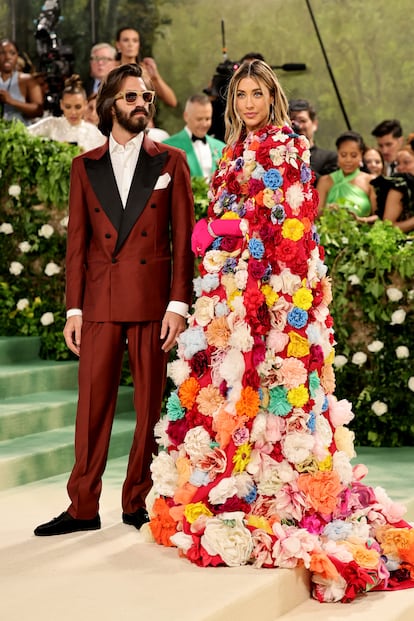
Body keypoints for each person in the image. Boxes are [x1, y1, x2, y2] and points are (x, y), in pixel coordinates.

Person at [147, 59, 414, 603]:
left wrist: (221, 229)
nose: (247, 103)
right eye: (240, 94)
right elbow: (232, 207)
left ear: (272, 97)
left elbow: (282, 225)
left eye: (257, 94)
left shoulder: (288, 147)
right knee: (225, 386)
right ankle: (230, 474)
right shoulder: (232, 148)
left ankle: (279, 487)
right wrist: (214, 231)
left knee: (275, 388)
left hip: (274, 297)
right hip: (229, 296)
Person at [33, 62, 195, 537]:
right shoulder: (84, 166)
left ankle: (135, 502)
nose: (142, 104)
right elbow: (77, 244)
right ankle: (82, 507)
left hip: (152, 303)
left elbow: (183, 237)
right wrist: (74, 309)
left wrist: (178, 305)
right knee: (91, 410)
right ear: (109, 107)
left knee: (149, 410)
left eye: (146, 97)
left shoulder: (171, 162)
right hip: (100, 302)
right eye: (131, 98)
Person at [27, 74, 106, 152]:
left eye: (78, 107)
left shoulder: (95, 133)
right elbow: (24, 135)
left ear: (85, 105)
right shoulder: (50, 124)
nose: (73, 112)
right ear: (61, 105)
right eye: (68, 107)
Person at [163, 93, 225, 180]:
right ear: (186, 116)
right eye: (199, 119)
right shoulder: (168, 147)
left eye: (207, 119)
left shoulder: (222, 147)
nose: (204, 124)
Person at [317, 130, 377, 219]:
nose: (348, 160)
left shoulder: (371, 181)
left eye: (353, 155)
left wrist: (361, 220)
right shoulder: (325, 181)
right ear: (338, 154)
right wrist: (328, 210)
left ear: (361, 155)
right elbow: (316, 216)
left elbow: (379, 217)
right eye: (343, 155)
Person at [115, 26, 177, 108]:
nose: (130, 44)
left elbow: (172, 102)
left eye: (135, 41)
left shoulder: (146, 70)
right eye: (126, 40)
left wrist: (155, 77)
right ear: (118, 45)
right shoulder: (111, 69)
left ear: (139, 45)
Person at [371, 135, 414, 231]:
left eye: (406, 162)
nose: (400, 167)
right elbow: (388, 226)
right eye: (397, 163)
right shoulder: (399, 187)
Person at [288, 98, 337, 181]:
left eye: (302, 121)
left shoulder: (329, 158)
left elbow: (326, 186)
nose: (297, 126)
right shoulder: (280, 154)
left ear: (314, 124)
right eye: (292, 122)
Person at [0, 39, 43, 122]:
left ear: (17, 56)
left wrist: (12, 101)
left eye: (12, 53)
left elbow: (38, 111)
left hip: (20, 132)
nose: (7, 57)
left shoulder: (27, 80)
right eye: (2, 53)